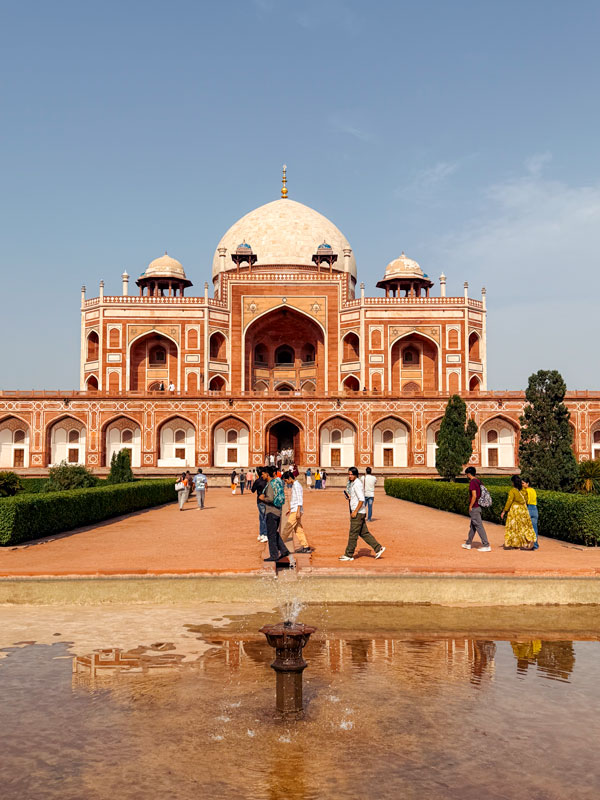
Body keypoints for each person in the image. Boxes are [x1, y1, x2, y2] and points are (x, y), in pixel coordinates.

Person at [339, 467, 385, 561]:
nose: (349, 476)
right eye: (349, 474)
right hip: (360, 512)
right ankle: (378, 548)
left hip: (358, 513)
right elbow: (357, 497)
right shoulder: (355, 484)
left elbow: (361, 499)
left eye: (351, 474)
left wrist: (355, 511)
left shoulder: (357, 484)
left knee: (353, 534)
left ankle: (349, 554)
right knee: (364, 533)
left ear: (355, 475)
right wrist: (350, 498)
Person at [259, 466, 290, 562]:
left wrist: (263, 499)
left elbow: (270, 499)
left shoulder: (270, 485)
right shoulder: (277, 483)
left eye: (263, 474)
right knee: (274, 532)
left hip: (271, 512)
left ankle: (274, 555)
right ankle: (284, 550)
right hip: (277, 511)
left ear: (267, 474)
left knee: (271, 534)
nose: (262, 476)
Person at [500, 475, 536, 550]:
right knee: (523, 527)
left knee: (514, 527)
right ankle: (525, 541)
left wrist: (504, 511)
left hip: (515, 510)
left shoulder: (512, 491)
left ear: (513, 482)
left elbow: (509, 501)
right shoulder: (524, 490)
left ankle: (515, 543)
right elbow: (526, 499)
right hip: (523, 509)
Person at [282, 470, 313, 554]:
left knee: (287, 528)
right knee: (298, 529)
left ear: (289, 478)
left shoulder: (296, 485)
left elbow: (299, 498)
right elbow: (295, 499)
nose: (286, 482)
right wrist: (291, 509)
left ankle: (279, 546)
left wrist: (298, 511)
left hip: (296, 511)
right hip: (295, 509)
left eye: (286, 480)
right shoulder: (294, 485)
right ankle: (306, 546)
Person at [462, 467, 491, 551]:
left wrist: (470, 506)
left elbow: (474, 495)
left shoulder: (472, 482)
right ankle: (468, 543)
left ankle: (486, 545)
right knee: (473, 526)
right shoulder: (478, 481)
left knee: (478, 526)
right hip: (478, 506)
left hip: (475, 506)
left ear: (468, 474)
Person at [251, 468, 268, 543]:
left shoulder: (258, 481)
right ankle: (262, 533)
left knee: (262, 517)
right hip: (267, 500)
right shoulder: (267, 480)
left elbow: (252, 490)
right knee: (264, 517)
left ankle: (264, 534)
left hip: (260, 500)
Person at [521, 477, 539, 550]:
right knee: (534, 528)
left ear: (527, 483)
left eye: (523, 483)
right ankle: (535, 545)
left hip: (528, 508)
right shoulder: (533, 490)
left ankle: (528, 543)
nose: (522, 485)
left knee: (526, 528)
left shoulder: (525, 491)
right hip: (534, 509)